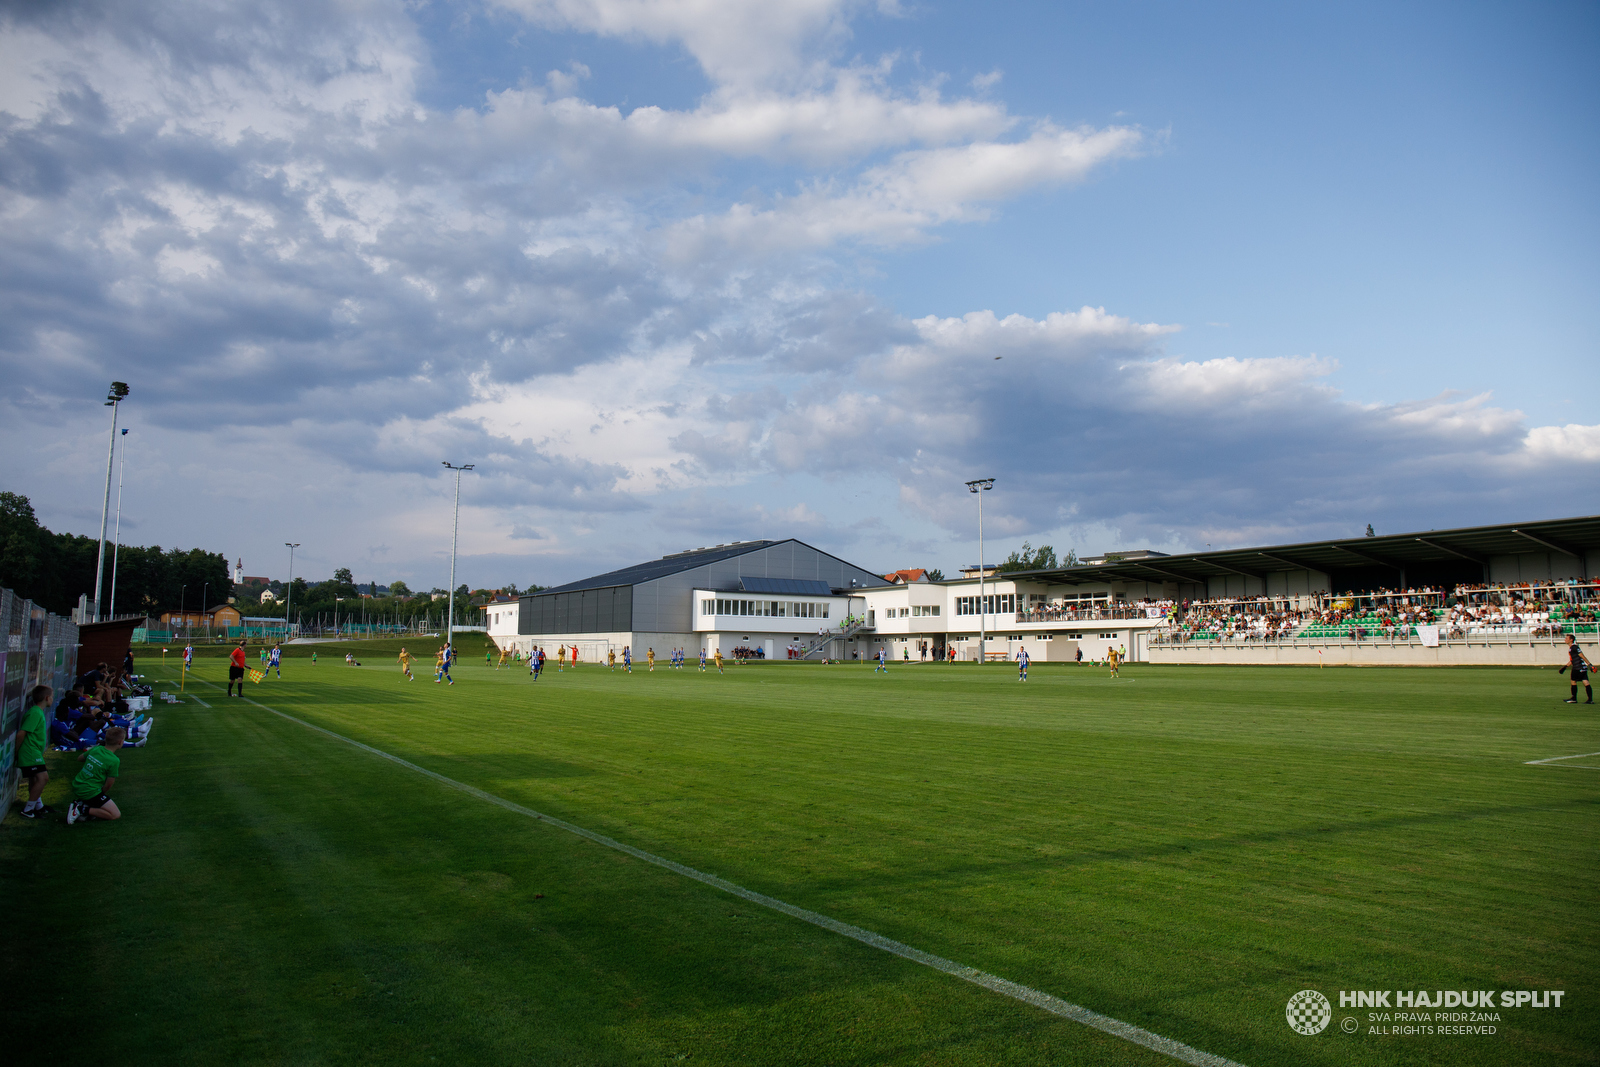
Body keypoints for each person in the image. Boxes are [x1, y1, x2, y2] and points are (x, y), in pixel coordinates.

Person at [66, 727, 126, 824]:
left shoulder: (97, 749)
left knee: (99, 806)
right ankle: (82, 809)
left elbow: (80, 758)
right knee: (115, 814)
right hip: (90, 791)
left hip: (78, 785)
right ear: (120, 742)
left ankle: (84, 806)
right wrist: (100, 794)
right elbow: (108, 784)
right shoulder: (114, 760)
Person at [16, 685, 53, 818]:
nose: (52, 699)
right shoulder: (35, 712)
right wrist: (16, 751)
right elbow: (21, 734)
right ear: (47, 698)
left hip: (33, 752)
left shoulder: (38, 711)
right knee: (43, 778)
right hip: (30, 752)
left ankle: (39, 806)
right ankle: (28, 810)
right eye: (52, 697)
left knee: (35, 779)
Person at [1560, 634, 1594, 704]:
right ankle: (1590, 700)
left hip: (1577, 668)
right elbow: (1573, 660)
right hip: (1582, 667)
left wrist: (1589, 664)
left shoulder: (1574, 647)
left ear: (1571, 640)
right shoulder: (1572, 648)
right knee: (1585, 682)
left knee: (1573, 681)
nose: (1565, 640)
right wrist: (1565, 667)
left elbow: (1582, 656)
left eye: (1566, 638)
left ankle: (1574, 698)